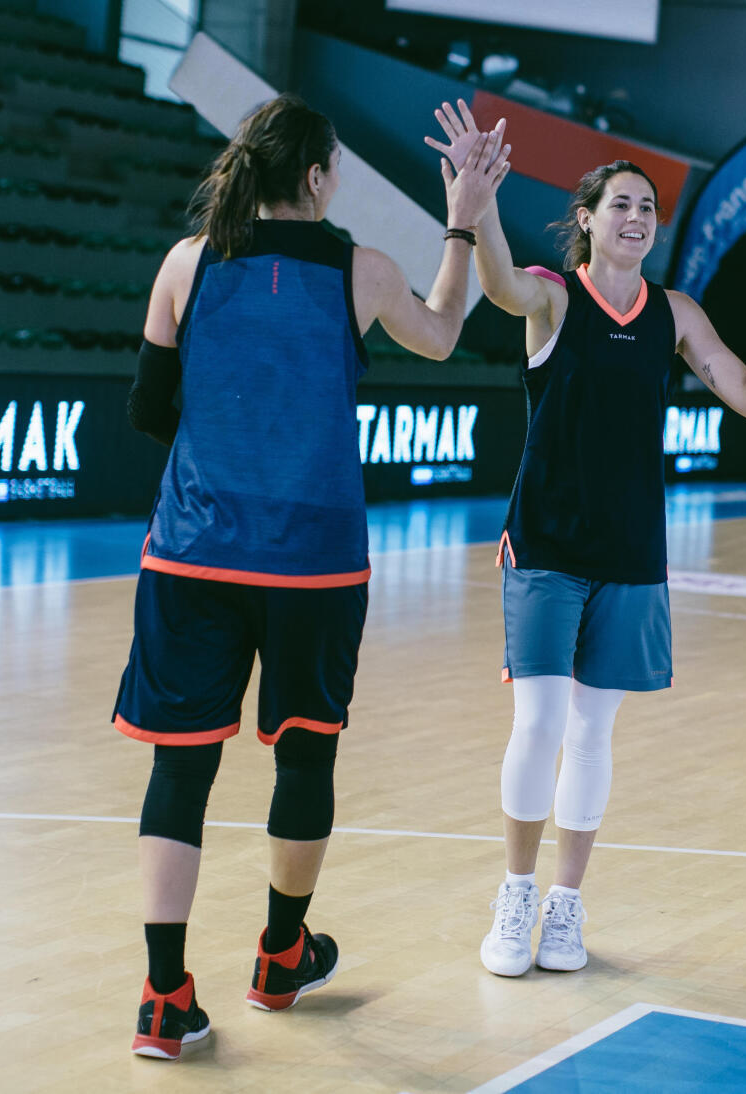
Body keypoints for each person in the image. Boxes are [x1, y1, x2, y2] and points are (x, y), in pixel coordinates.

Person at [115, 94, 510, 1059]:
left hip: (193, 554)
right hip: (315, 565)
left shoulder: (187, 262)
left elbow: (147, 409)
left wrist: (228, 451)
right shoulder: (361, 271)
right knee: (305, 756)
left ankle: (164, 999)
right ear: (321, 178)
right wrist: (460, 220)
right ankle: (281, 956)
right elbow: (447, 330)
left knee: (181, 767)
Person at [423, 99, 746, 978]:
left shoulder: (676, 313)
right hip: (543, 544)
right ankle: (517, 896)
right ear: (586, 221)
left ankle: (568, 908)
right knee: (537, 723)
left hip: (630, 553)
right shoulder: (550, 294)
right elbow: (497, 286)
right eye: (621, 204)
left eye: (648, 207)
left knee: (592, 733)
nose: (637, 217)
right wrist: (479, 199)